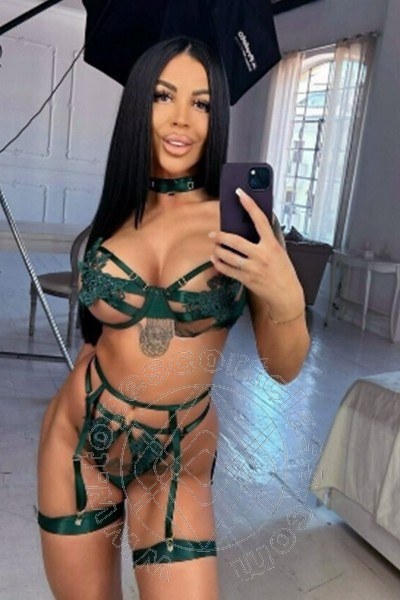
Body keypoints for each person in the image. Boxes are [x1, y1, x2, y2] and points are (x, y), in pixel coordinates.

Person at [37, 36, 310, 600]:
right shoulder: (119, 209)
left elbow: (283, 369)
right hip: (77, 439)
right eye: (164, 96)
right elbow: (112, 330)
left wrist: (286, 298)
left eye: (201, 103)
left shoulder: (243, 226)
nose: (182, 118)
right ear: (140, 104)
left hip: (177, 454)